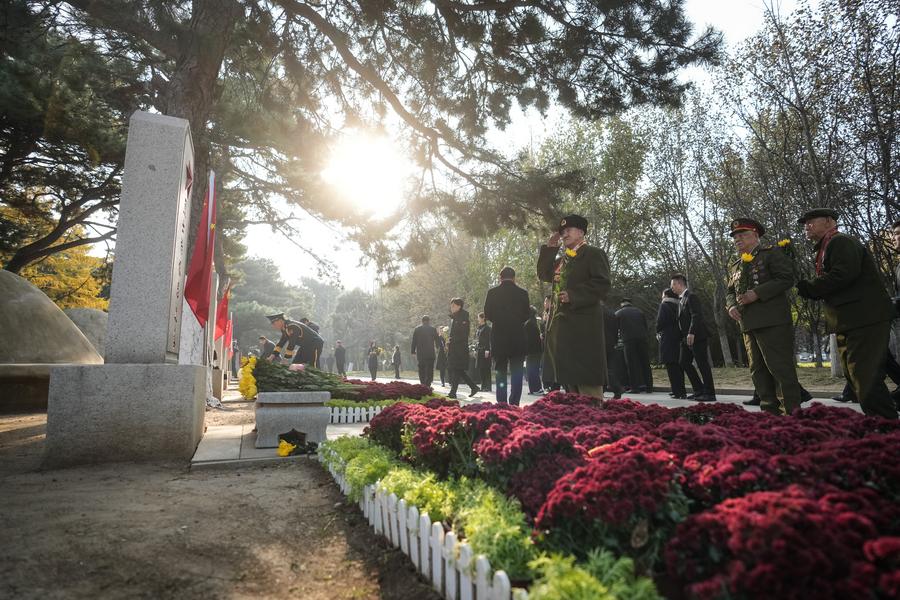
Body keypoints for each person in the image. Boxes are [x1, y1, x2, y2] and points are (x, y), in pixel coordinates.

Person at [796, 208, 897, 419]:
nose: (806, 226)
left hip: (864, 318)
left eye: (811, 221)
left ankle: (886, 425)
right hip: (850, 321)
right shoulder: (827, 246)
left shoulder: (841, 242)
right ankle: (881, 421)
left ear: (829, 221)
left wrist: (810, 288)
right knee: (856, 376)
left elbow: (843, 275)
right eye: (805, 223)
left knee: (864, 375)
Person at [725, 218, 802, 415]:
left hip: (772, 321)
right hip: (748, 323)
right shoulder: (736, 265)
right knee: (757, 371)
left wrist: (757, 293)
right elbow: (730, 291)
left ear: (755, 235)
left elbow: (786, 278)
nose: (737, 239)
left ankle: (791, 414)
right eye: (735, 236)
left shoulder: (770, 254)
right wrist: (731, 306)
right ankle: (770, 412)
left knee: (780, 368)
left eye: (742, 235)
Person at [537, 214, 611, 399]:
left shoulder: (593, 253)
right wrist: (550, 248)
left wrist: (574, 295)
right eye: (562, 231)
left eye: (568, 230)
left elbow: (602, 284)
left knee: (587, 385)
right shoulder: (564, 260)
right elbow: (544, 274)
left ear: (581, 232)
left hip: (584, 329)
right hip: (563, 331)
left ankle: (595, 414)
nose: (564, 234)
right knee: (569, 383)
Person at [484, 266, 531, 405]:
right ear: (514, 278)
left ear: (500, 277)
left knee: (500, 371)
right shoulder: (522, 293)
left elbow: (487, 313)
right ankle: (514, 402)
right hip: (517, 336)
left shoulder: (492, 293)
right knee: (517, 371)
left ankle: (502, 402)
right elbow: (527, 314)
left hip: (499, 336)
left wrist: (498, 320)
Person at [669, 275, 717, 402]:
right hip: (685, 338)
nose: (671, 288)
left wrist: (691, 332)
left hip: (697, 336)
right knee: (683, 362)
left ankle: (710, 393)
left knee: (702, 364)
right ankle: (699, 389)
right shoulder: (680, 299)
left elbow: (696, 315)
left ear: (680, 284)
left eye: (673, 285)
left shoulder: (691, 296)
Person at [616, 298, 653, 393]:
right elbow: (645, 326)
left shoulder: (619, 313)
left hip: (628, 340)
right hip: (642, 339)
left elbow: (615, 328)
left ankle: (635, 387)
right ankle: (649, 387)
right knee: (645, 363)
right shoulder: (639, 312)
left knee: (631, 364)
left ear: (622, 304)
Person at [447, 298, 480, 398]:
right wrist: (449, 340)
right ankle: (473, 387)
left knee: (457, 370)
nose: (451, 308)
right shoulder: (454, 318)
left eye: (453, 306)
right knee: (458, 370)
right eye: (451, 306)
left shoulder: (464, 319)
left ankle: (453, 393)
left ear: (459, 306)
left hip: (460, 349)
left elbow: (464, 335)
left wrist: (452, 339)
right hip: (454, 348)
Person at [656, 288, 685, 398]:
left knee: (670, 365)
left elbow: (660, 321)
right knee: (678, 366)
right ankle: (681, 390)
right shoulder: (679, 305)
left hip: (667, 336)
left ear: (666, 296)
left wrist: (657, 331)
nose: (662, 297)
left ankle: (677, 391)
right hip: (678, 336)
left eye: (663, 295)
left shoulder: (664, 305)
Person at [410, 316, 442, 386]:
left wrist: (413, 351)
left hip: (421, 353)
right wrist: (438, 348)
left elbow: (414, 341)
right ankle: (428, 383)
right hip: (430, 353)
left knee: (421, 368)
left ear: (422, 321)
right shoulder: (433, 329)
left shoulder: (417, 329)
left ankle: (422, 383)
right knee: (430, 369)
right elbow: (437, 340)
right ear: (429, 321)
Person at [602, 306, 625, 399]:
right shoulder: (611, 313)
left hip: (601, 342)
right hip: (610, 342)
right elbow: (616, 329)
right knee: (608, 367)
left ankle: (616, 388)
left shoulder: (596, 312)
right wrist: (615, 341)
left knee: (603, 368)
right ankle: (606, 389)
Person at [524, 306, 544, 394]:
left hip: (532, 351)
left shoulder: (528, 324)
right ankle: (534, 389)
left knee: (531, 370)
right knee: (533, 370)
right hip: (535, 351)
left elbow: (527, 339)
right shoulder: (533, 322)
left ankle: (536, 388)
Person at [475, 312, 493, 392]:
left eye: (478, 318)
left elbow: (489, 340)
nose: (477, 319)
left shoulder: (488, 328)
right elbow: (477, 340)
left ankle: (487, 387)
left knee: (486, 369)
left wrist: (487, 350)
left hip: (485, 350)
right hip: (479, 350)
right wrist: (475, 349)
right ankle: (483, 386)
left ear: (483, 318)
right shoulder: (479, 328)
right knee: (481, 368)